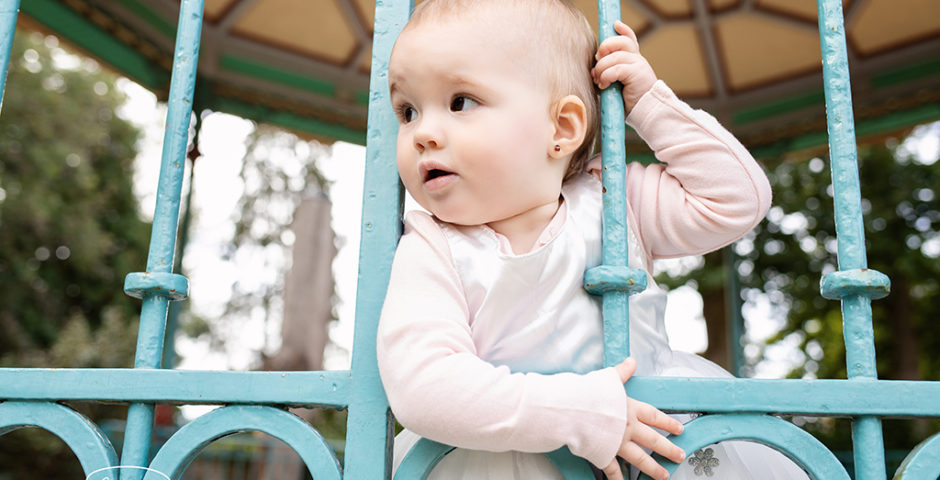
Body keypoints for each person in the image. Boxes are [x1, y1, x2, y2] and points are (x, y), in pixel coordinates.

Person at [376, 1, 810, 479]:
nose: (423, 133)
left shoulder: (614, 199)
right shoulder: (432, 246)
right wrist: (576, 413)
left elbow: (738, 199)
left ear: (562, 128)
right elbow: (421, 385)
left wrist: (647, 103)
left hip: (656, 445)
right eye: (408, 110)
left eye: (460, 102)